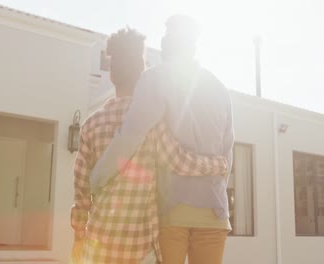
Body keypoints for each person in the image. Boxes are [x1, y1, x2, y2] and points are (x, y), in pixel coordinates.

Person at [71, 27, 228, 264]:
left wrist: (79, 233)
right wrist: (218, 164)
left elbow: (81, 191)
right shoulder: (153, 124)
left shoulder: (90, 126)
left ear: (111, 73)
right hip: (141, 249)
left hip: (99, 248)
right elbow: (178, 161)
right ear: (142, 70)